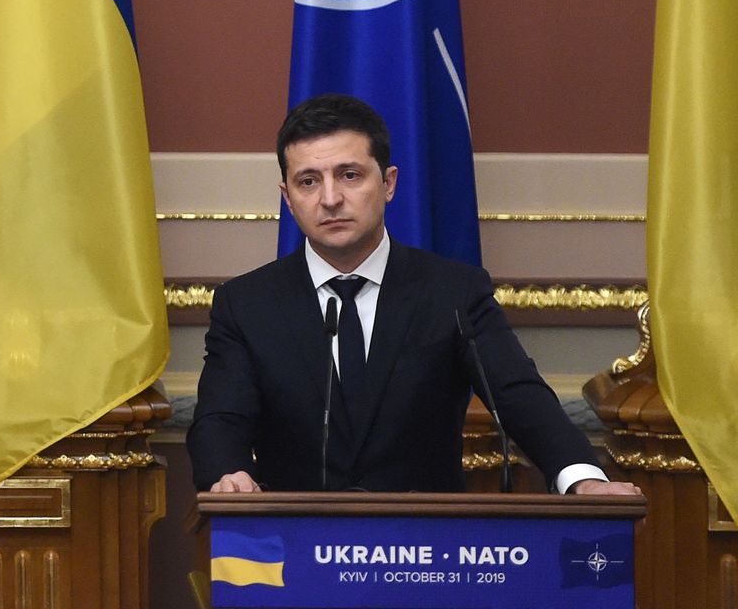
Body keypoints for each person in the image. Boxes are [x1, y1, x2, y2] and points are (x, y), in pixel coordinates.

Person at [188, 93, 639, 496]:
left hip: (426, 558)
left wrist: (582, 477)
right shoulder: (247, 304)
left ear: (388, 183)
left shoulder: (453, 293)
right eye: (309, 181)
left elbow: (519, 395)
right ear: (288, 199)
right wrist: (227, 472)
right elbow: (219, 420)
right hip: (296, 554)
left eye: (349, 175)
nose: (330, 198)